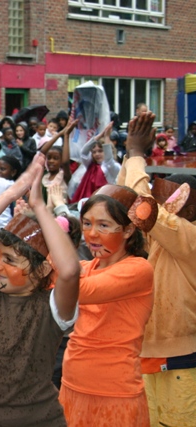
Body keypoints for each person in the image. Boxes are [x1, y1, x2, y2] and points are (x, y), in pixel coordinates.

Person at [0, 153, 80, 426]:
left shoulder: (53, 308)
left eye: (10, 260)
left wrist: (39, 206)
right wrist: (11, 193)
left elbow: (69, 271)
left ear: (42, 269)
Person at [118, 111, 196, 427]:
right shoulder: (159, 235)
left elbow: (142, 207)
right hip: (146, 355)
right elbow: (128, 201)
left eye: (175, 197)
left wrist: (136, 154)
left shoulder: (188, 236)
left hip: (183, 362)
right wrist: (130, 156)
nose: (167, 202)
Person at [59, 183, 156, 427]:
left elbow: (78, 290)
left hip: (115, 393)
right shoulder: (85, 268)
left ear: (128, 230)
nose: (91, 234)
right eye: (87, 223)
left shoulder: (138, 269)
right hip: (73, 384)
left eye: (103, 225)